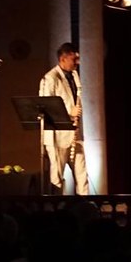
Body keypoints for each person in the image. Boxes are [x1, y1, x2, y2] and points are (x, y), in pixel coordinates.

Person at [39, 42, 89, 195]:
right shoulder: (50, 78)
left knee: (82, 176)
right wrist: (70, 113)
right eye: (74, 59)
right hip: (57, 137)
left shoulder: (74, 76)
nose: (77, 63)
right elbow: (47, 106)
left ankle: (86, 207)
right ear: (63, 58)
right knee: (57, 179)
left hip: (74, 134)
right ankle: (56, 212)